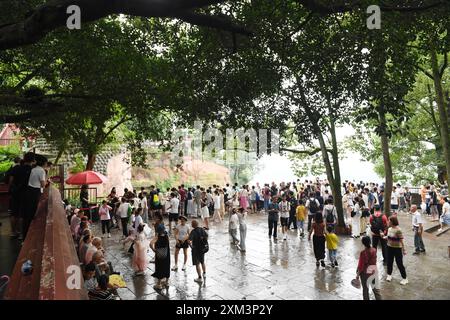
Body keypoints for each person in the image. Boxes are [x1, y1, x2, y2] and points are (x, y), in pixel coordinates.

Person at [23, 155, 47, 240]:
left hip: (29, 191)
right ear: (44, 163)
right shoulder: (42, 171)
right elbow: (43, 184)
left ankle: (25, 235)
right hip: (35, 192)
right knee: (34, 214)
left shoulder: (33, 169)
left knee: (28, 214)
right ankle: (30, 236)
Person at [383, 216, 408, 285]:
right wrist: (384, 236)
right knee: (389, 262)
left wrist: (404, 249)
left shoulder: (398, 230)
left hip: (397, 248)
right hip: (389, 247)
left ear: (393, 222)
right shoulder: (389, 229)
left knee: (399, 263)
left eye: (389, 221)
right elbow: (388, 237)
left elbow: (401, 240)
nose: (388, 222)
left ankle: (405, 278)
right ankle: (389, 275)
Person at [150, 224, 170, 290]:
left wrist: (153, 250)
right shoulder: (166, 236)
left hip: (159, 255)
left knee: (159, 267)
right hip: (166, 255)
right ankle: (167, 282)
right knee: (167, 267)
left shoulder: (157, 237)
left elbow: (151, 243)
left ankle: (159, 284)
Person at [189, 219, 208, 284]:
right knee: (202, 262)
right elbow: (206, 236)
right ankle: (204, 273)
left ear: (193, 225)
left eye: (191, 223)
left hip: (196, 250)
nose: (191, 224)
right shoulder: (202, 229)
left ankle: (199, 277)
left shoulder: (193, 232)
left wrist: (191, 246)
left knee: (197, 264)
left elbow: (189, 241)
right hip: (202, 249)